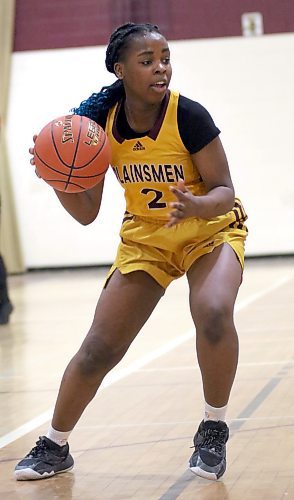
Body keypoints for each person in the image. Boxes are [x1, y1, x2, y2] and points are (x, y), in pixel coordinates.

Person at [14, 22, 247, 482]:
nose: (161, 68)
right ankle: (55, 444)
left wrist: (196, 204)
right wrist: (55, 176)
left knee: (214, 310)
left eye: (165, 59)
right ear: (121, 70)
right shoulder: (97, 127)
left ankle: (213, 429)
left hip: (210, 230)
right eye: (148, 61)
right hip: (147, 239)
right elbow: (86, 213)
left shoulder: (189, 116)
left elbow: (224, 189)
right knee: (99, 346)